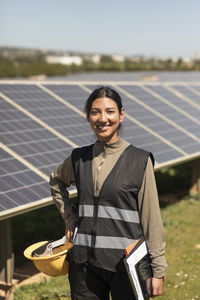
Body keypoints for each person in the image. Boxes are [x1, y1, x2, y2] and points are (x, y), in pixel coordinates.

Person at [50, 86, 167, 300]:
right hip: (84, 266)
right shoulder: (78, 158)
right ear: (88, 116)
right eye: (95, 112)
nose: (103, 119)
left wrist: (158, 270)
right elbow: (56, 181)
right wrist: (70, 217)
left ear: (121, 115)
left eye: (110, 111)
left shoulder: (139, 160)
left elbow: (152, 219)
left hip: (126, 265)